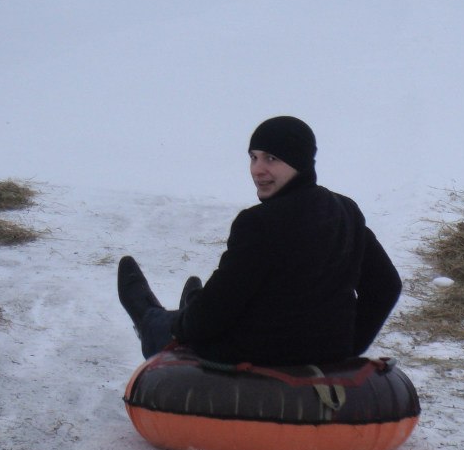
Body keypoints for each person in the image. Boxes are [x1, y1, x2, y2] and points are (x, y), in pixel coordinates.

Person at [117, 116, 402, 366]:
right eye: (253, 157)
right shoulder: (345, 210)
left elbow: (214, 314)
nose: (258, 169)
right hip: (327, 353)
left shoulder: (260, 223)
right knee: (201, 308)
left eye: (271, 158)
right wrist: (348, 346)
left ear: (299, 161)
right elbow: (386, 285)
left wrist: (181, 326)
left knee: (172, 324)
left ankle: (147, 318)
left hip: (255, 355)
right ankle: (189, 302)